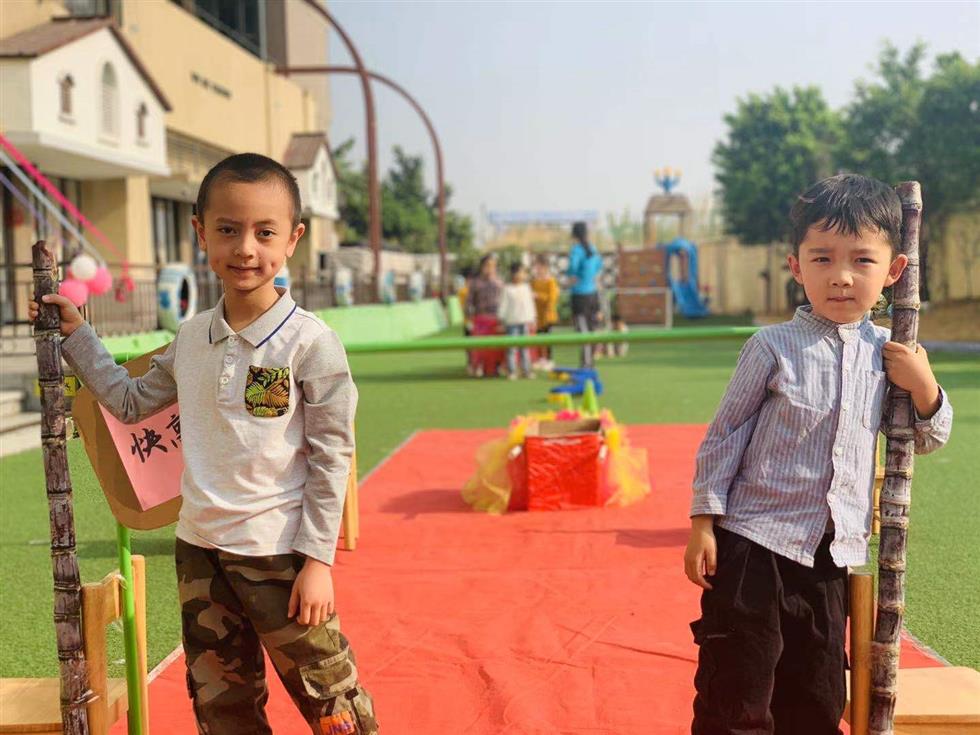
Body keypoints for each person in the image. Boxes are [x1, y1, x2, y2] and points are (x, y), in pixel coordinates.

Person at [30, 153, 379, 735]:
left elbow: (331, 457)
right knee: (222, 707)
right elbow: (130, 402)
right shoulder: (192, 338)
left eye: (265, 232)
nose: (246, 248)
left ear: (293, 239)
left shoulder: (309, 344)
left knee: (333, 705)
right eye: (228, 229)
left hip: (280, 555)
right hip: (199, 552)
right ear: (201, 233)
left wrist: (318, 561)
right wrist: (78, 334)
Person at [683, 174, 953, 735]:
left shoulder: (892, 354)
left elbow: (925, 439)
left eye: (862, 260)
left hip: (832, 556)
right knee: (738, 692)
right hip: (753, 548)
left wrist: (924, 386)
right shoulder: (771, 347)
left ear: (894, 271)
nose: (841, 276)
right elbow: (725, 435)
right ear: (796, 266)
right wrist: (703, 523)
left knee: (818, 695)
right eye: (822, 258)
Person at [566, 221, 603, 368]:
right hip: (593, 294)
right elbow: (599, 266)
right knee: (592, 331)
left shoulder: (576, 250)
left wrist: (571, 277)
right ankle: (590, 363)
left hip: (579, 296)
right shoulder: (593, 248)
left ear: (574, 235)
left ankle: (586, 365)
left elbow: (572, 268)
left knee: (583, 333)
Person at [465, 253, 503, 377]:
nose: (490, 268)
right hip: (480, 318)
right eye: (487, 265)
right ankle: (477, 366)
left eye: (493, 266)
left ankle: (495, 367)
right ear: (482, 267)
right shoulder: (475, 283)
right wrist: (468, 319)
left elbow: (504, 301)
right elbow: (469, 302)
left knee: (495, 347)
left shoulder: (499, 282)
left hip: (496, 318)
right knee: (480, 346)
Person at [498, 261, 537, 380]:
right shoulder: (507, 289)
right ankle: (512, 371)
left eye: (524, 273)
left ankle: (526, 370)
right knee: (512, 348)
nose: (523, 275)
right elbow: (503, 305)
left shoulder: (526, 288)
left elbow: (530, 304)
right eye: (521, 272)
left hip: (524, 321)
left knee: (525, 348)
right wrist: (501, 320)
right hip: (512, 322)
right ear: (513, 274)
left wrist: (533, 319)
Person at [530, 254, 559, 368]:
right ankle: (540, 358)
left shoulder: (550, 281)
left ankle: (549, 359)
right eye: (536, 267)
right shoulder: (534, 281)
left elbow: (552, 298)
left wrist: (538, 296)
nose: (537, 269)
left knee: (547, 338)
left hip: (548, 315)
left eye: (539, 267)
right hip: (537, 315)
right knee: (538, 337)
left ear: (545, 267)